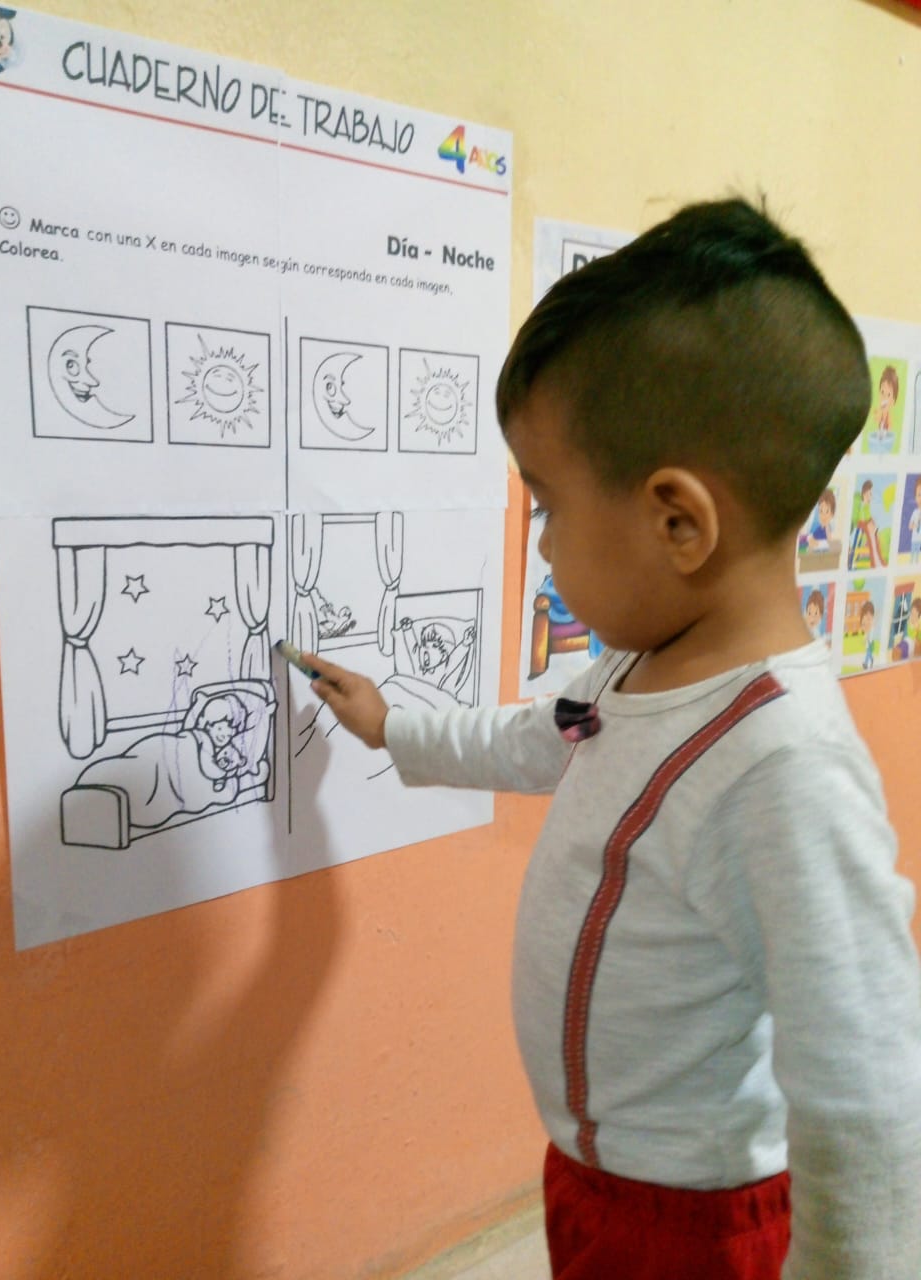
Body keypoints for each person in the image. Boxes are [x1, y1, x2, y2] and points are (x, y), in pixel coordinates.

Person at [305, 200, 921, 1280]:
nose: (542, 546)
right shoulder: (636, 671)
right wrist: (394, 725)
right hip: (599, 1181)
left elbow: (867, 1089)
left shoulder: (785, 768)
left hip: (696, 1222)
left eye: (547, 505)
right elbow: (532, 740)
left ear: (679, 522)